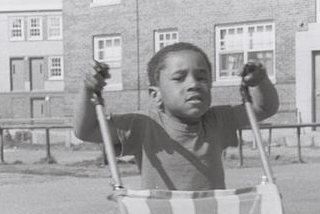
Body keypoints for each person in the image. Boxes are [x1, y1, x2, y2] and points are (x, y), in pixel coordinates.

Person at [74, 42, 279, 190]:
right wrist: (87, 90)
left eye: (202, 78)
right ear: (156, 95)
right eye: (179, 78)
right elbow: (87, 130)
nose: (193, 84)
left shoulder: (217, 120)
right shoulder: (143, 125)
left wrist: (260, 81)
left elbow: (265, 107)